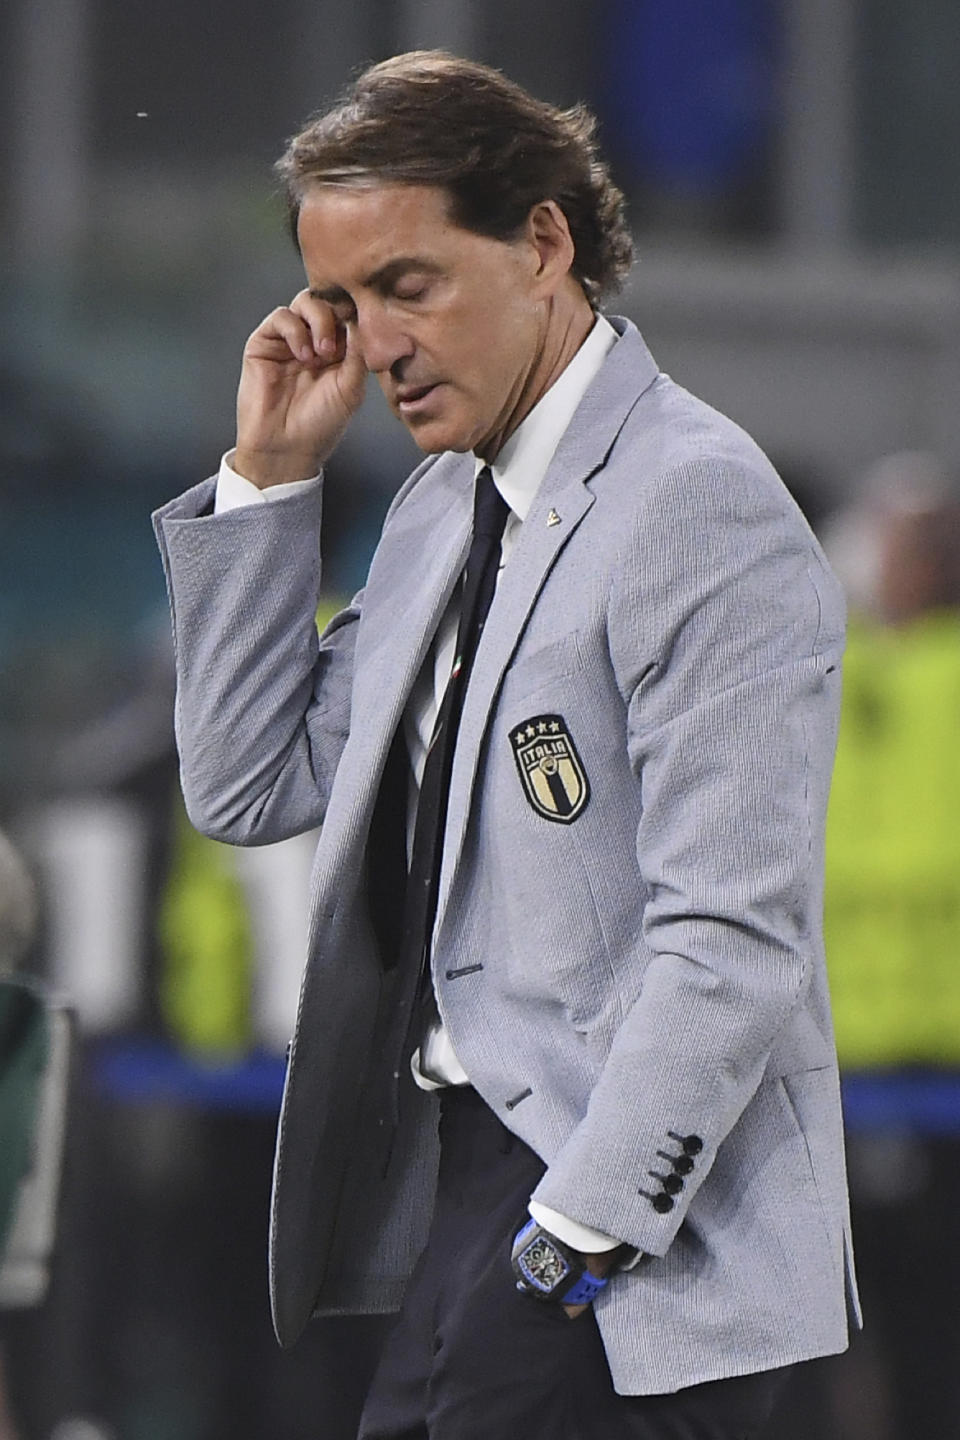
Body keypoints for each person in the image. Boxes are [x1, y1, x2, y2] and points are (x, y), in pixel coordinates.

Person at [153, 51, 859, 1440]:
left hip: (637, 1241)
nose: (376, 344)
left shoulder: (697, 503)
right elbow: (248, 783)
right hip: (475, 1200)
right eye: (344, 305)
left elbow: (733, 943)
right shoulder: (437, 512)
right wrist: (271, 482)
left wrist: (579, 1235)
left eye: (407, 286)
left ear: (543, 242)